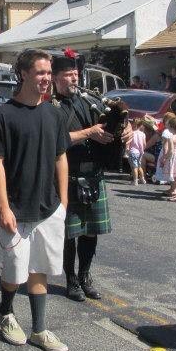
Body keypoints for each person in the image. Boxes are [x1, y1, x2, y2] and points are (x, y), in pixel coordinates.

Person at [0, 48, 70, 351]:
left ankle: (39, 329)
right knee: (14, 272)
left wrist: (63, 200)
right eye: (40, 73)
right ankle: (6, 310)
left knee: (40, 270)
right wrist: (3, 206)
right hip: (15, 210)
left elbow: (61, 156)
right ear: (23, 74)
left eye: (49, 73)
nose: (46, 79)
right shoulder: (3, 116)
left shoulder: (55, 114)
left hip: (48, 208)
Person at [52, 50, 131, 302]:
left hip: (93, 173)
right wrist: (89, 132)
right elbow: (56, 139)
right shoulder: (50, 106)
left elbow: (113, 120)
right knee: (69, 235)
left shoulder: (89, 100)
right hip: (68, 176)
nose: (74, 79)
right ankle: (71, 279)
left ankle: (85, 275)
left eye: (76, 74)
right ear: (55, 78)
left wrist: (126, 129)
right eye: (67, 75)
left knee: (90, 232)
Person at [128, 118, 147, 185]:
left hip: (133, 151)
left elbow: (129, 142)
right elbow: (144, 144)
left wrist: (127, 149)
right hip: (140, 152)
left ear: (133, 124)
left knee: (134, 167)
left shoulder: (132, 133)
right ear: (140, 125)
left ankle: (135, 180)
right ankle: (142, 179)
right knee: (139, 166)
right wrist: (142, 149)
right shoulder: (143, 134)